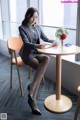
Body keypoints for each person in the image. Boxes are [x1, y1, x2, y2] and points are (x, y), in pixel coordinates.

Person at [18, 7, 58, 115]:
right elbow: (26, 43)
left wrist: (53, 41)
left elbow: (45, 38)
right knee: (40, 72)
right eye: (32, 17)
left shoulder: (38, 27)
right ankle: (33, 102)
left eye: (36, 17)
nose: (34, 19)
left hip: (36, 53)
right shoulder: (22, 28)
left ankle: (31, 90)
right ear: (28, 16)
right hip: (26, 54)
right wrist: (37, 45)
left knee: (46, 58)